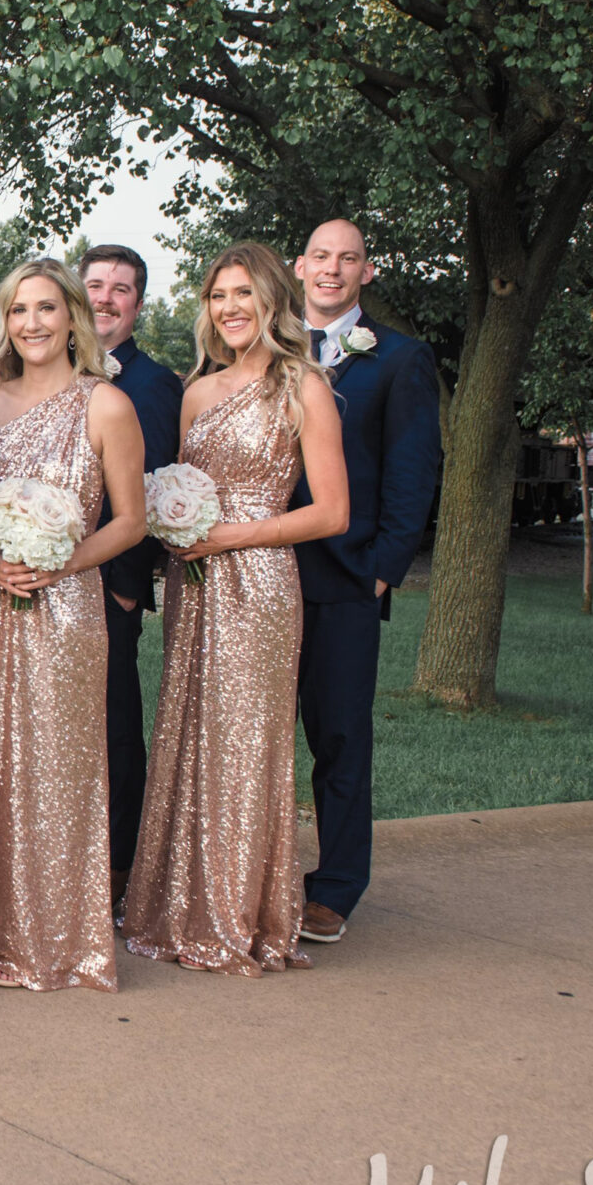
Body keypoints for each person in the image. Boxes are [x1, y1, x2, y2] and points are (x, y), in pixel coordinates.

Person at [121, 242, 348, 977]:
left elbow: (333, 513)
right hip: (197, 583)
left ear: (274, 300)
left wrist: (233, 536)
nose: (230, 308)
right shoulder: (197, 391)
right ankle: (182, 904)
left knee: (249, 744)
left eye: (244, 293)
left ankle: (240, 913)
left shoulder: (303, 386)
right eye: (219, 295)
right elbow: (183, 485)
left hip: (260, 580)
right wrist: (177, 524)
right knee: (189, 733)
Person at [0, 259, 146, 990]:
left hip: (65, 608)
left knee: (55, 764)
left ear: (73, 319)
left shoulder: (105, 406)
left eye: (47, 308)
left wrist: (61, 563)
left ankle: (50, 932)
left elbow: (132, 520)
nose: (32, 322)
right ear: (5, 321)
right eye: (18, 309)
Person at [289, 219, 443, 945]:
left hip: (345, 581)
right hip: (256, 579)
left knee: (341, 738)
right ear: (299, 266)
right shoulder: (263, 347)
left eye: (348, 259)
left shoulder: (400, 359)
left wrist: (381, 572)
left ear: (367, 273)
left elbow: (414, 473)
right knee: (246, 737)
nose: (332, 269)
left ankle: (337, 886)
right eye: (321, 256)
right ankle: (250, 876)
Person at [80, 243, 182, 907]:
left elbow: (158, 486)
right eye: (94, 285)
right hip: (39, 579)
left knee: (114, 726)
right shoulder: (49, 373)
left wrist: (123, 582)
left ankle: (118, 866)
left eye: (121, 289)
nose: (106, 299)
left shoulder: (155, 385)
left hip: (107, 584)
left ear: (137, 304)